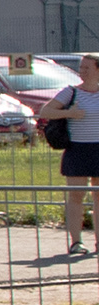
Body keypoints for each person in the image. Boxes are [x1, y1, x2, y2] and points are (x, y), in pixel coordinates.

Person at [50, 76, 99, 257]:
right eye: (81, 67)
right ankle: (76, 242)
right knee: (76, 194)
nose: (83, 71)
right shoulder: (71, 92)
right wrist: (69, 113)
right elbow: (46, 111)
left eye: (88, 67)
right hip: (77, 149)